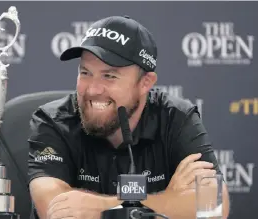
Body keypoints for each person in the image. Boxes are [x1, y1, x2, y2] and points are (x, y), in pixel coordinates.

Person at [27, 15, 230, 219]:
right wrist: (168, 200)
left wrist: (99, 208)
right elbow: (55, 211)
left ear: (145, 83)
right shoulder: (52, 121)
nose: (93, 89)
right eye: (85, 73)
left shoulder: (175, 118)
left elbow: (214, 208)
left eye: (109, 76)